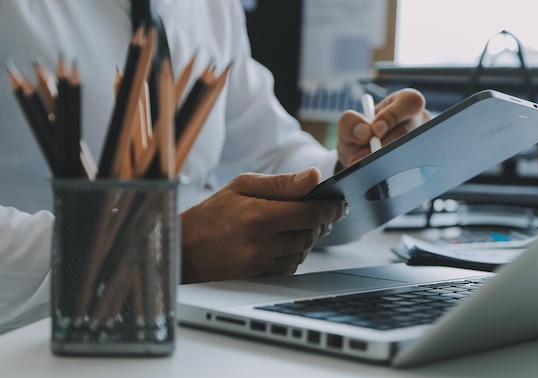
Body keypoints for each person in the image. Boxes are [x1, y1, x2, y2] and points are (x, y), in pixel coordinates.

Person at [0, 0, 429, 333]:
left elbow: (268, 151)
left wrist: (348, 166)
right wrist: (162, 252)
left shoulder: (210, 7)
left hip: (195, 322)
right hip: (33, 340)